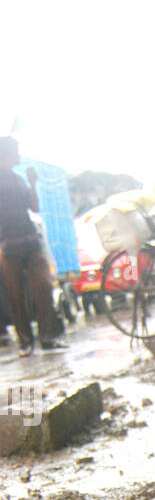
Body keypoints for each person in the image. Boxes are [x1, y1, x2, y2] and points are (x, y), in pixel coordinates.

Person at [0, 136, 64, 356]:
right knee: (16, 296)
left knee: (43, 289)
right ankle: (25, 343)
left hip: (29, 240)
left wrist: (33, 183)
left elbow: (35, 208)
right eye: (15, 151)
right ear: (6, 153)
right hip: (8, 245)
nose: (18, 155)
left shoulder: (19, 180)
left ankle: (48, 338)